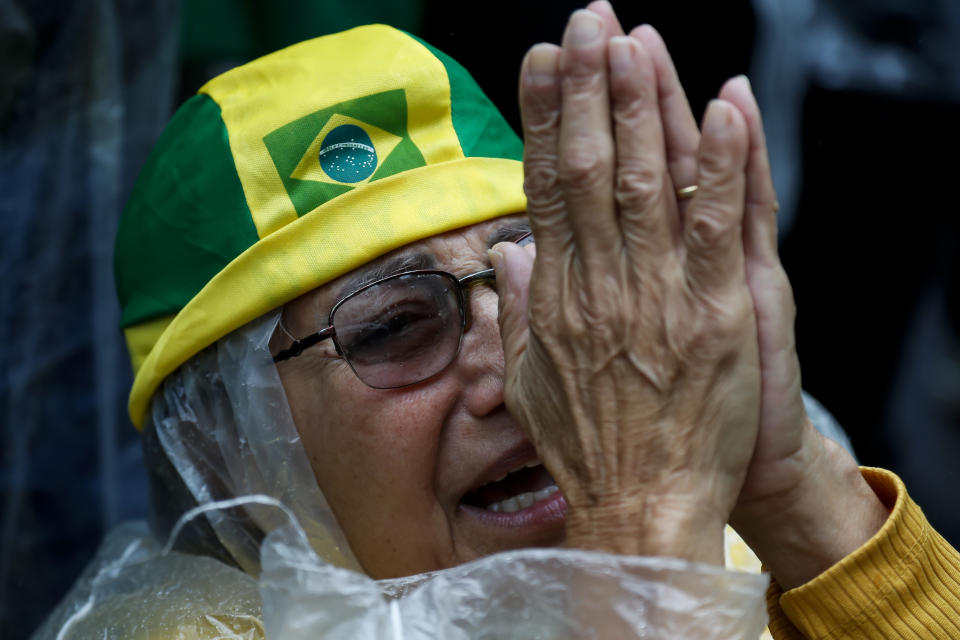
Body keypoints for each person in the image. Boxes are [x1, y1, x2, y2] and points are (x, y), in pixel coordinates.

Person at [32, 3, 960, 639]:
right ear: (230, 449)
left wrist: (794, 482)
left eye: (538, 277)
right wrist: (641, 529)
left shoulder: (723, 543)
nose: (524, 370)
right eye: (396, 327)